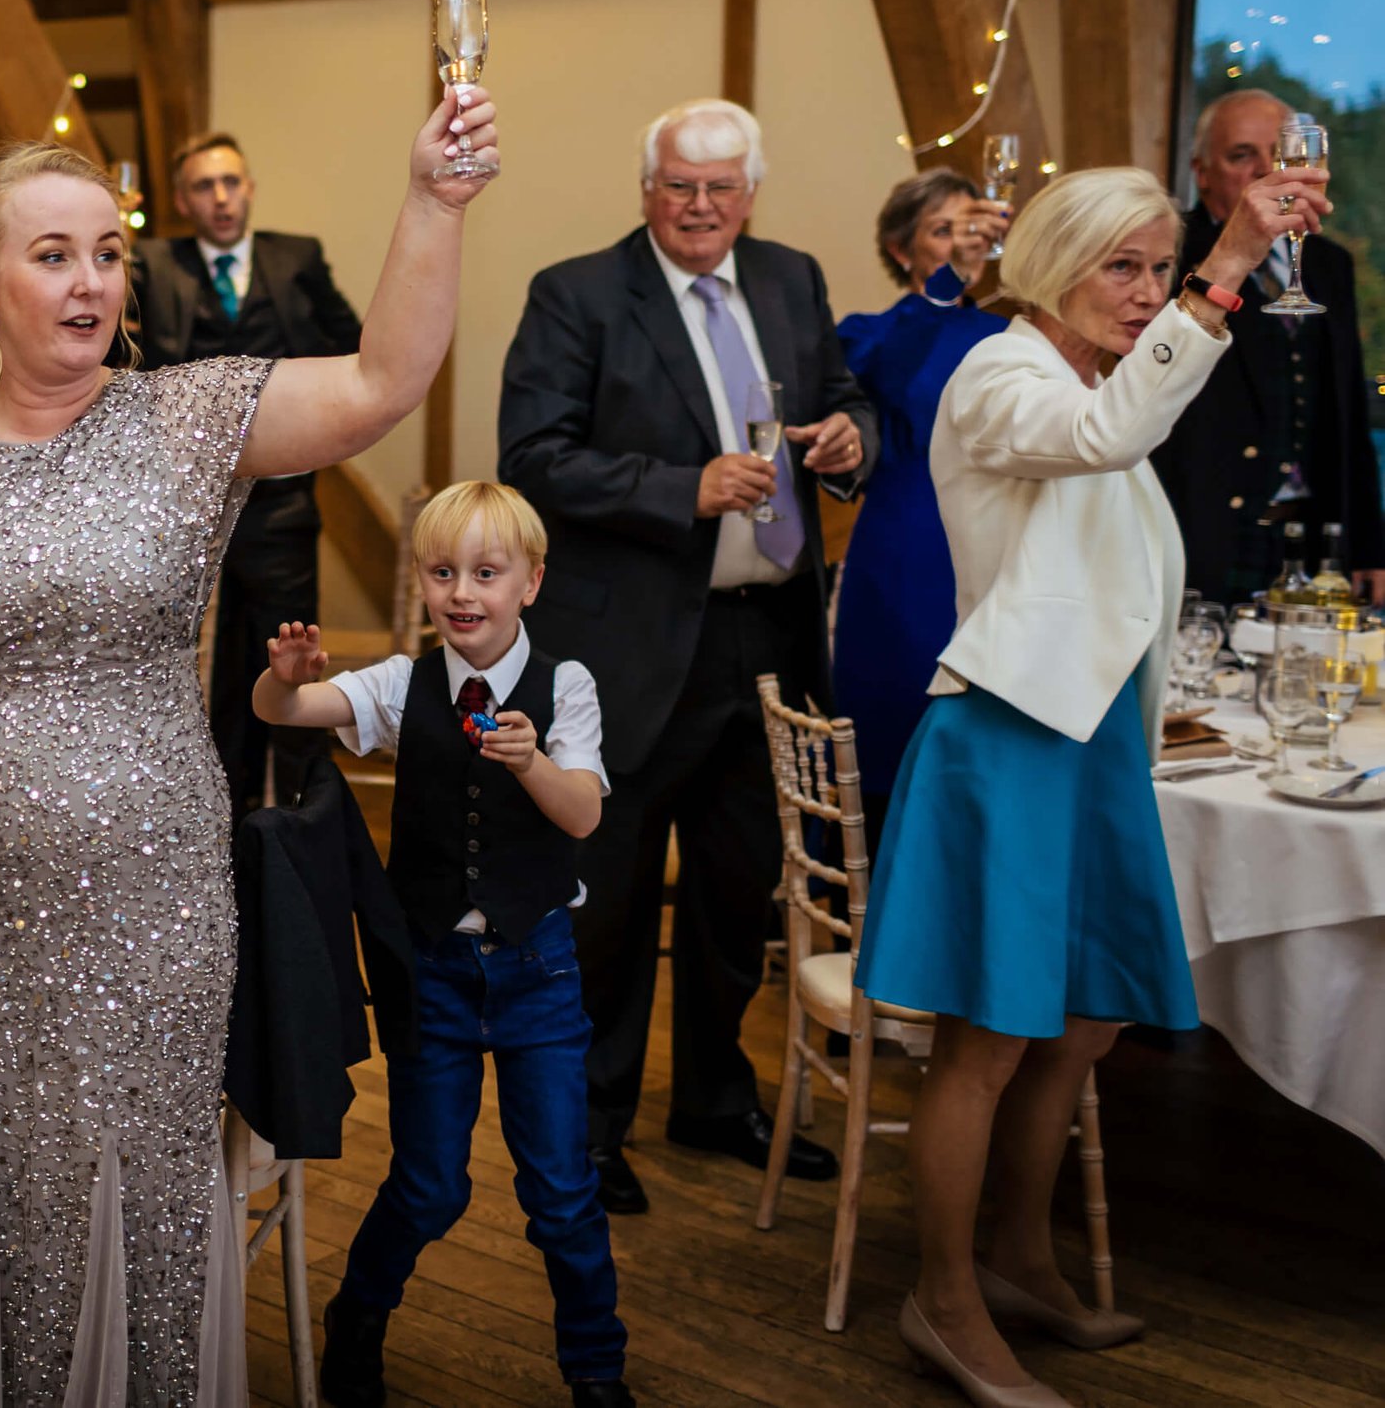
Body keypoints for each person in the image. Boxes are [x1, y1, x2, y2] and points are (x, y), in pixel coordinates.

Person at [0, 83, 497, 1403]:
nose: (89, 283)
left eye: (109, 254)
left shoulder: (186, 421)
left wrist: (435, 199)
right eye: (53, 253)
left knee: (122, 1179)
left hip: (144, 910)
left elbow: (382, 380)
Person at [854, 162, 1314, 1407]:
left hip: (1095, 733)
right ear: (1055, 261)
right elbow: (1104, 441)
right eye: (1125, 265)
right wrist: (1226, 274)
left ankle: (1012, 1253)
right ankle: (940, 1301)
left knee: (1088, 1018)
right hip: (1006, 734)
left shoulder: (1089, 379)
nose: (1148, 290)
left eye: (1162, 267)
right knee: (989, 1036)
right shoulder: (1000, 374)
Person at [497, 97, 874, 1216]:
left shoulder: (792, 277)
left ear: (750, 192)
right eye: (678, 184)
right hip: (627, 648)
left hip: (767, 637)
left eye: (720, 187)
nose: (699, 206)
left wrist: (853, 441)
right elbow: (531, 456)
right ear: (645, 188)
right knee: (607, 903)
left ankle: (715, 1095)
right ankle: (593, 1125)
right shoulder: (577, 294)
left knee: (735, 889)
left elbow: (842, 402)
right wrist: (683, 488)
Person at [254, 481, 632, 1408]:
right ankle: (358, 1318)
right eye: (443, 571)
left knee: (561, 1193)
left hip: (538, 972)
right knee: (428, 1186)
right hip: (436, 980)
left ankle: (595, 1369)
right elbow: (279, 713)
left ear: (530, 582)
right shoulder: (402, 683)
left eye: (487, 572)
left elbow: (582, 812)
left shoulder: (567, 685)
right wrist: (288, 677)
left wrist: (532, 760)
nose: (463, 591)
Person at [130, 130, 365, 815]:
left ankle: (301, 821)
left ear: (250, 187)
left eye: (231, 181)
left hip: (282, 499)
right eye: (204, 186)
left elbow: (352, 344)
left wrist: (307, 406)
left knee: (291, 654)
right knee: (220, 669)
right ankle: (219, 823)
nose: (221, 197)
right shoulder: (154, 263)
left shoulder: (296, 258)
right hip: (186, 503)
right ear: (182, 200)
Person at [1150, 88, 1384, 603]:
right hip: (1201, 527)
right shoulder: (1167, 256)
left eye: (1278, 155)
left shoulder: (1329, 265)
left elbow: (1346, 412)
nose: (1266, 171)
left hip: (1312, 534)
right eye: (1242, 155)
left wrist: (1370, 547)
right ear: (1201, 171)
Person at [832, 170, 1012, 831]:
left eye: (974, 229)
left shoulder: (1007, 336)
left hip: (998, 554)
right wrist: (951, 281)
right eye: (944, 230)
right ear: (900, 248)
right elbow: (895, 374)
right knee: (899, 737)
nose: (964, 243)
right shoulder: (868, 335)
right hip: (906, 557)